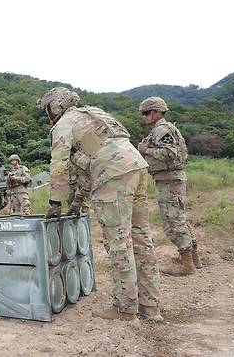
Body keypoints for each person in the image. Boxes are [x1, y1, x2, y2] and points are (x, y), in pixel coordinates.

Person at [37, 87, 162, 322]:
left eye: (47, 109)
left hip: (113, 174)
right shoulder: (93, 114)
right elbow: (88, 164)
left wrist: (55, 202)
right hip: (136, 166)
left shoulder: (65, 123)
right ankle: (150, 306)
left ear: (55, 106)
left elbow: (59, 165)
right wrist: (78, 200)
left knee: (118, 242)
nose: (47, 115)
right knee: (141, 238)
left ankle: (125, 309)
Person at [138, 96, 201, 275]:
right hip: (169, 178)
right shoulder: (161, 129)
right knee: (179, 217)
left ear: (157, 112)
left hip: (169, 179)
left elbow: (169, 153)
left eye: (146, 113)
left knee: (172, 220)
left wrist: (146, 150)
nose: (144, 116)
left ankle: (187, 264)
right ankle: (193, 259)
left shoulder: (162, 130)